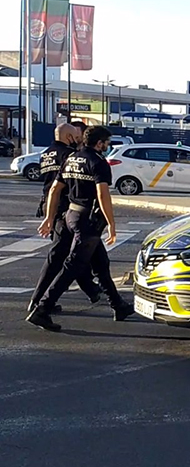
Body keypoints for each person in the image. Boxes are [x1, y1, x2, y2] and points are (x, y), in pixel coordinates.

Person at [27, 126, 134, 331]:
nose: (108, 146)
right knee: (72, 267)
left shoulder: (72, 158)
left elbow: (55, 190)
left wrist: (49, 217)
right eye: (107, 142)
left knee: (101, 262)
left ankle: (118, 305)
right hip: (87, 219)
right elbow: (103, 196)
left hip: (70, 215)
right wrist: (112, 224)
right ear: (99, 143)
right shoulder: (98, 163)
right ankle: (42, 309)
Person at [29, 123, 102, 313]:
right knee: (61, 257)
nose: (79, 139)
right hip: (66, 209)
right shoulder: (69, 155)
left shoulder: (46, 154)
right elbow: (63, 185)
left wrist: (48, 216)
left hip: (51, 207)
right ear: (70, 137)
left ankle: (94, 290)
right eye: (76, 136)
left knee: (75, 255)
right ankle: (40, 302)